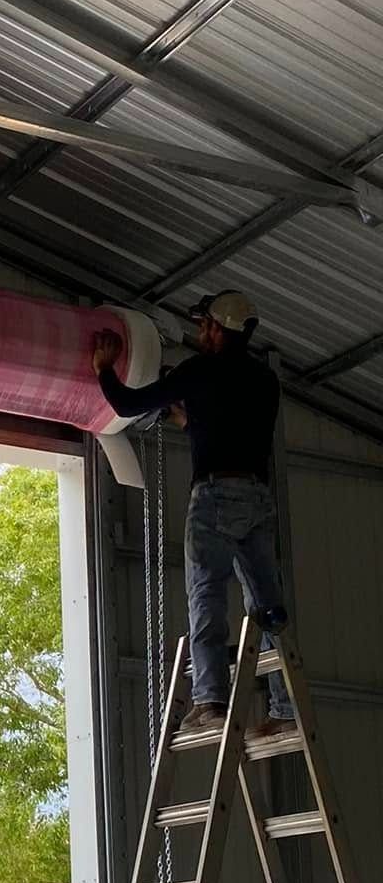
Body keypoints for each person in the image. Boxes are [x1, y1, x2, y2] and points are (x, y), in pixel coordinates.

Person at [93, 291, 295, 741]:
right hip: (257, 499)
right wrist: (189, 419)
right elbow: (230, 423)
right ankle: (282, 708)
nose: (201, 332)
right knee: (266, 606)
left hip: (214, 495)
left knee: (206, 595)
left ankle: (211, 702)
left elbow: (127, 405)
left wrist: (104, 369)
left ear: (219, 329)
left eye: (205, 325)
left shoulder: (199, 370)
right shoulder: (265, 381)